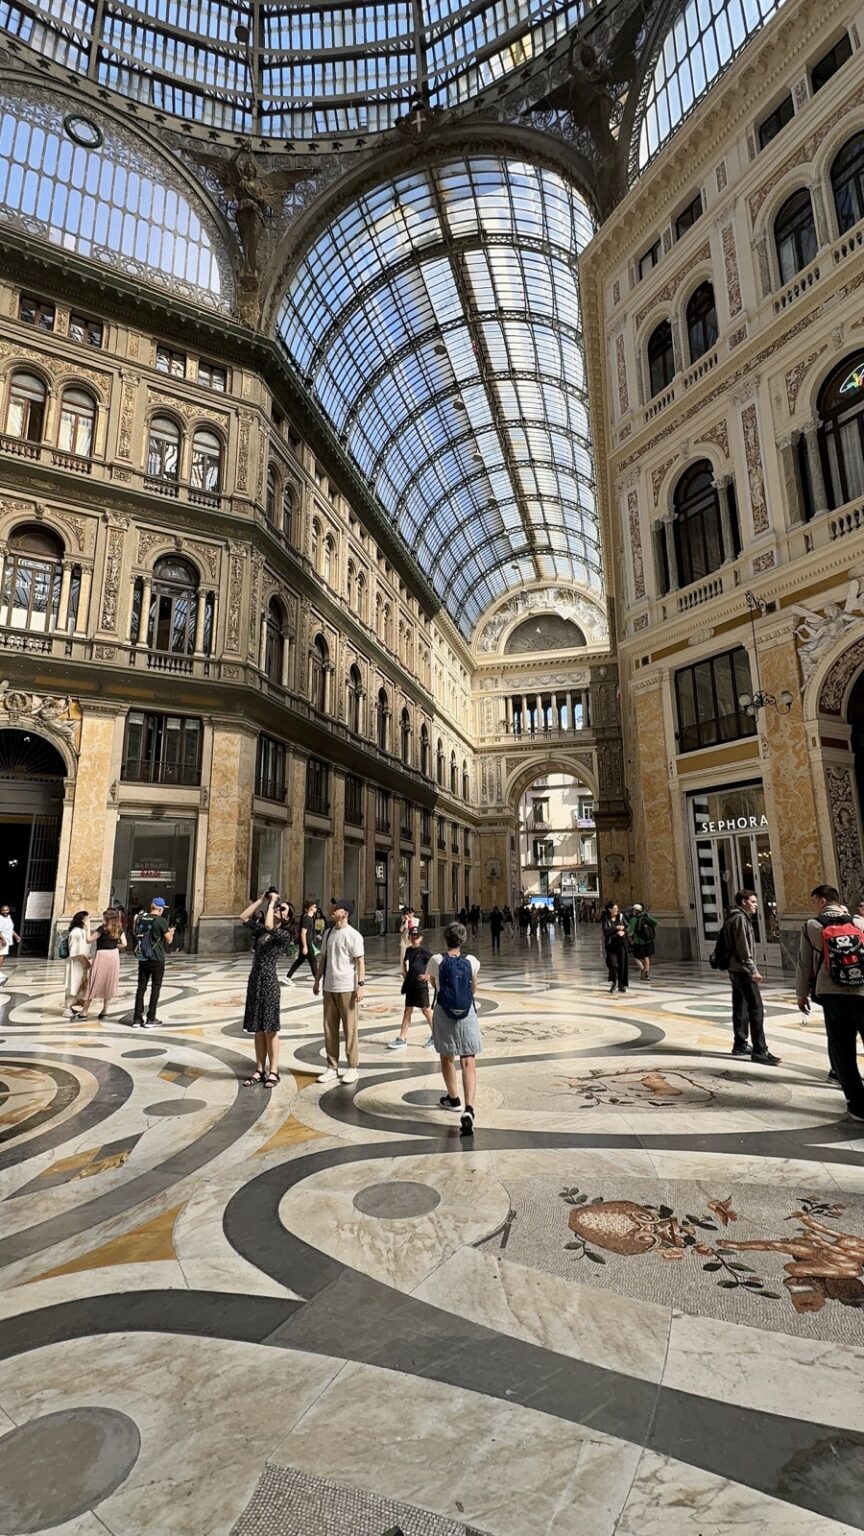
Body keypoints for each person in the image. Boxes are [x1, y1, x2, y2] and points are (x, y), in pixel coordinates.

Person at [796, 884, 864, 1120]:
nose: (813, 906)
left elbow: (804, 962)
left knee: (842, 1048)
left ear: (823, 901)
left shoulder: (812, 925)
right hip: (861, 989)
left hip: (832, 992)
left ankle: (857, 1104)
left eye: (814, 901)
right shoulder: (858, 922)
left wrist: (801, 993)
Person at [425, 922, 481, 1136]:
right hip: (467, 1012)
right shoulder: (472, 961)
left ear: (445, 939)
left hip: (443, 1011)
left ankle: (453, 1098)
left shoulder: (436, 960)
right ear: (463, 940)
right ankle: (469, 1109)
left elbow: (433, 984)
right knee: (468, 1059)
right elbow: (474, 987)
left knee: (447, 1057)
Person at [239, 892, 293, 1086]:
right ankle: (259, 1069)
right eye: (278, 906)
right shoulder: (262, 930)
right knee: (258, 1030)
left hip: (269, 982)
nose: (278, 908)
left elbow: (270, 926)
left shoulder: (284, 935)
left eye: (282, 908)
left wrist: (272, 904)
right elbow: (243, 917)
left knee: (270, 1029)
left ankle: (274, 1071)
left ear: (287, 917)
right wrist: (261, 899)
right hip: (255, 980)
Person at [724, 890, 780, 1065]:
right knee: (756, 1008)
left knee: (741, 1006)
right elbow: (743, 948)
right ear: (743, 902)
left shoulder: (734, 917)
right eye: (753, 902)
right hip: (743, 970)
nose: (756, 905)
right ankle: (760, 1050)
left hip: (735, 968)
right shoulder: (740, 918)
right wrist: (753, 970)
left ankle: (740, 1044)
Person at [314, 897, 365, 1084]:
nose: (332, 909)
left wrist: (360, 985)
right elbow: (323, 959)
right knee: (329, 1029)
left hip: (347, 988)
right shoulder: (328, 933)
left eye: (337, 908)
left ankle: (352, 1067)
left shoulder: (353, 935)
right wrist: (317, 980)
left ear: (345, 913)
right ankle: (332, 1067)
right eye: (333, 907)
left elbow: (360, 962)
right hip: (329, 986)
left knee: (350, 1029)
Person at [132, 897, 175, 1029]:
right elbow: (169, 940)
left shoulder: (142, 919)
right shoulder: (161, 921)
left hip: (144, 957)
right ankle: (151, 1017)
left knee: (141, 987)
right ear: (160, 909)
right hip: (157, 958)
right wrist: (171, 932)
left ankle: (137, 1018)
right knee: (155, 987)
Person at [389, 927, 434, 1050]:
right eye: (412, 937)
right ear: (409, 938)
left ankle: (436, 1035)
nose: (414, 939)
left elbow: (435, 963)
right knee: (407, 1010)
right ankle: (402, 1038)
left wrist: (428, 975)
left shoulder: (425, 952)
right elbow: (404, 961)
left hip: (420, 985)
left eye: (416, 937)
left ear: (421, 938)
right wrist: (404, 972)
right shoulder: (408, 950)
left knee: (426, 1010)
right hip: (410, 984)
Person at [81, 908, 127, 1020]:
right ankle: (105, 1011)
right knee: (109, 982)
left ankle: (84, 1011)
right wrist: (115, 946)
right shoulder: (119, 929)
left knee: (94, 981)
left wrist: (88, 926)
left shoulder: (103, 929)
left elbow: (89, 939)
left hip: (102, 956)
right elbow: (124, 944)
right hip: (114, 956)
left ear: (107, 918)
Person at [62, 911, 91, 1017]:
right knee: (73, 985)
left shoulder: (83, 931)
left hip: (81, 963)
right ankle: (67, 1008)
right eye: (88, 918)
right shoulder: (76, 932)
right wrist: (86, 962)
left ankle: (73, 1006)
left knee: (80, 985)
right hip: (76, 963)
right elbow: (75, 951)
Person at [286, 896, 319, 983]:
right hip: (307, 944)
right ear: (311, 908)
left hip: (308, 943)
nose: (316, 908)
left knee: (300, 960)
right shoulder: (307, 919)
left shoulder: (310, 918)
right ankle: (317, 979)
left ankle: (288, 977)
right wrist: (304, 946)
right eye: (315, 907)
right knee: (313, 961)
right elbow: (303, 933)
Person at [628, 903, 658, 982]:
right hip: (648, 941)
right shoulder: (647, 916)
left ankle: (643, 971)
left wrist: (629, 939)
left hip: (638, 941)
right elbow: (655, 922)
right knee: (646, 957)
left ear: (635, 910)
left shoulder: (633, 919)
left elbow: (631, 932)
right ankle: (646, 974)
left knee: (636, 957)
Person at [603, 905, 629, 994]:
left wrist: (624, 932)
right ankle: (614, 983)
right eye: (614, 909)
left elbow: (628, 927)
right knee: (614, 965)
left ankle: (621, 985)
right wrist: (616, 928)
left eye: (617, 908)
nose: (616, 910)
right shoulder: (606, 919)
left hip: (621, 944)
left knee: (622, 964)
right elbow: (605, 931)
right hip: (611, 946)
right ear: (610, 910)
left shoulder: (621, 917)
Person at [0, 903, 20, 985]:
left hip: (7, 940)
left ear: (9, 910)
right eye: (3, 910)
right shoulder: (0, 919)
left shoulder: (8, 918)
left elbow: (10, 929)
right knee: (1, 955)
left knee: (3, 955)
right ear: (1, 911)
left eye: (6, 910)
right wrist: (2, 939)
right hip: (2, 940)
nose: (5, 912)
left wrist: (16, 936)